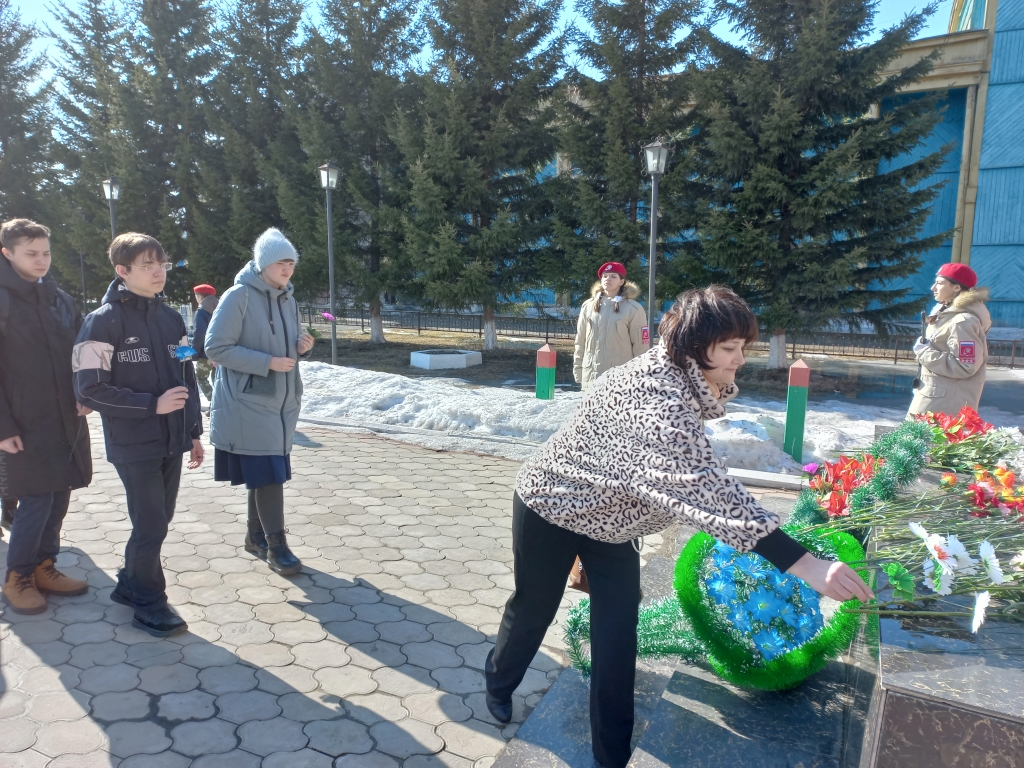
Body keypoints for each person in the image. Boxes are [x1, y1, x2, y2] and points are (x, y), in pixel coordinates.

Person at [485, 285, 873, 768]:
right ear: (695, 346)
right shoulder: (656, 398)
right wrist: (806, 564)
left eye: (742, 349)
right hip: (553, 504)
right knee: (533, 609)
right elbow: (705, 488)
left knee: (618, 633)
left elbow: (693, 467)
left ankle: (611, 755)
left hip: (610, 521)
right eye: (730, 349)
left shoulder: (678, 375)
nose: (740, 361)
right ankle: (499, 681)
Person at [73, 232, 204, 637]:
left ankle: (131, 584)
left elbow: (187, 375)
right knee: (151, 526)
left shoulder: (172, 319)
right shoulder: (101, 322)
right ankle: (150, 603)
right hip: (133, 444)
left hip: (173, 440)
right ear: (122, 271)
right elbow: (88, 389)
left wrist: (195, 431)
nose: (157, 271)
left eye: (161, 263)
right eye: (146, 265)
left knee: (157, 521)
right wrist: (152, 405)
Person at [205, 228, 314, 577]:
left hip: (281, 399)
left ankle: (256, 537)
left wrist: (300, 346)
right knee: (269, 472)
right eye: (281, 262)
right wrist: (266, 362)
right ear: (264, 264)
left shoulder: (288, 298)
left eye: (292, 263)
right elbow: (216, 348)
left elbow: (286, 341)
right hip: (248, 399)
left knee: (264, 469)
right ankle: (277, 547)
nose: (287, 269)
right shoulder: (239, 296)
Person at [0, 219, 93, 614]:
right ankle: (16, 576)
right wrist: (3, 427)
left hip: (64, 415)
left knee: (60, 492)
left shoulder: (58, 297)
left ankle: (44, 565)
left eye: (46, 253)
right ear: (7, 253)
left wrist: (86, 392)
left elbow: (80, 350)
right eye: (31, 253)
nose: (41, 261)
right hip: (22, 421)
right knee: (35, 497)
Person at [908, 263, 991, 417]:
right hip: (935, 401)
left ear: (956, 288)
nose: (933, 287)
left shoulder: (962, 322)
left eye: (939, 283)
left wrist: (924, 351)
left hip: (944, 407)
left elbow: (965, 365)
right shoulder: (948, 314)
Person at [573, 261, 649, 391]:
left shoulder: (634, 309)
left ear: (621, 281)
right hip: (592, 376)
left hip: (621, 379)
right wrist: (578, 369)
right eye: (605, 276)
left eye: (613, 276)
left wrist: (640, 374)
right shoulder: (588, 306)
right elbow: (580, 341)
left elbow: (641, 346)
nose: (608, 279)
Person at [191, 283, 218, 411]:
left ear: (200, 297)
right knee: (217, 379)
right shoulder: (220, 308)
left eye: (196, 296)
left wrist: (194, 352)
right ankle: (220, 404)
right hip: (221, 352)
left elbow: (199, 333)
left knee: (201, 377)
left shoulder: (201, 311)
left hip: (205, 353)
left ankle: (214, 403)